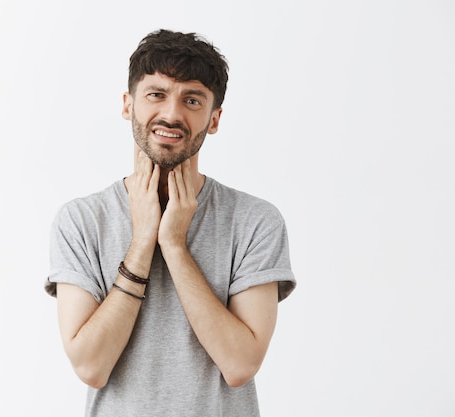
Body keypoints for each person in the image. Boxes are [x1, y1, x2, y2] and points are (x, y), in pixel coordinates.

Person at [45, 28, 296, 417]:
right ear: (128, 105)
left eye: (191, 99)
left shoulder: (255, 221)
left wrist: (175, 246)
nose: (172, 113)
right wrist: (143, 240)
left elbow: (241, 365)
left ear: (214, 119)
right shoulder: (81, 220)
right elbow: (91, 367)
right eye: (156, 94)